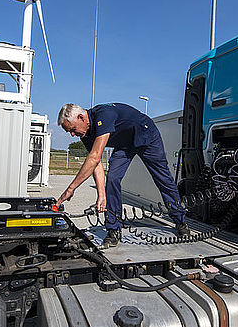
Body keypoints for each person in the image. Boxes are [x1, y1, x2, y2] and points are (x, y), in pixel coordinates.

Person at [56, 102, 189, 248]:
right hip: (125, 144)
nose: (73, 135)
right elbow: (96, 163)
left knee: (162, 177)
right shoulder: (85, 134)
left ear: (81, 117)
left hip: (146, 135)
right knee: (113, 178)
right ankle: (113, 230)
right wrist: (101, 195)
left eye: (73, 129)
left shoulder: (103, 114)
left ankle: (180, 220)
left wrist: (71, 188)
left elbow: (94, 157)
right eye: (70, 132)